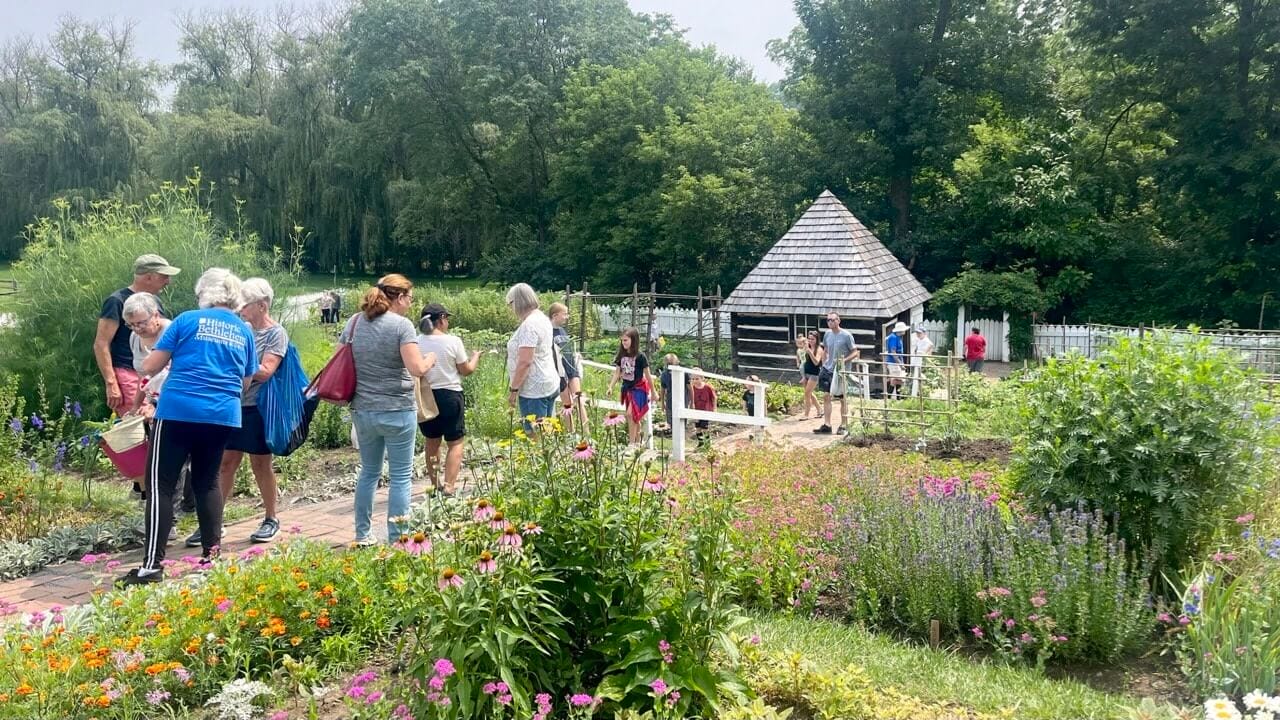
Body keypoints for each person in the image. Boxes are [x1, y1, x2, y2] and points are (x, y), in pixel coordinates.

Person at [117, 269, 257, 586]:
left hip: (179, 409)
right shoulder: (244, 331)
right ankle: (211, 557)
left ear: (203, 295)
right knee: (207, 483)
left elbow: (151, 366)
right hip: (223, 414)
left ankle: (152, 565)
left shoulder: (187, 320)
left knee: (161, 484)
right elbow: (246, 380)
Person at [341, 274, 434, 546]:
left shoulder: (354, 322)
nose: (410, 305)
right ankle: (398, 539)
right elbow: (416, 368)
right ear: (400, 297)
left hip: (363, 410)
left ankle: (362, 535)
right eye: (410, 299)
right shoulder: (401, 326)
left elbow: (340, 358)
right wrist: (430, 358)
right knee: (401, 477)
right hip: (397, 409)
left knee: (368, 472)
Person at [207, 278, 288, 546]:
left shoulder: (276, 333)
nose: (239, 308)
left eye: (245, 304)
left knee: (260, 463)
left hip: (257, 408)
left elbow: (265, 372)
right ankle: (214, 521)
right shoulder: (241, 328)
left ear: (262, 306)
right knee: (226, 463)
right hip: (233, 405)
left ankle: (271, 517)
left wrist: (235, 364)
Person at [123, 292, 193, 532]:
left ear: (156, 314)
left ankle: (172, 520)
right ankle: (169, 518)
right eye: (131, 324)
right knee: (164, 464)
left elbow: (175, 376)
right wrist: (136, 405)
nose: (137, 328)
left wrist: (155, 406)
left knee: (173, 464)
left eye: (141, 322)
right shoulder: (135, 338)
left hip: (178, 405)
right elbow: (145, 376)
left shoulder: (172, 333)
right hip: (155, 408)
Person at [94, 254, 180, 418]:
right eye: (164, 276)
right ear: (149, 277)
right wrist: (111, 382)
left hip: (157, 373)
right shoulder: (116, 301)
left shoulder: (154, 301)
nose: (167, 281)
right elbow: (101, 344)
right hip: (129, 372)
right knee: (137, 422)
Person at [417, 303, 481, 496]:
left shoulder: (415, 341)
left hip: (427, 395)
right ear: (441, 319)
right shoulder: (453, 341)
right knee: (455, 442)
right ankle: (449, 486)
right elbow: (466, 370)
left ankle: (435, 484)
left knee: (432, 441)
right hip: (450, 394)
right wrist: (476, 357)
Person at [504, 283, 560, 431]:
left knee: (535, 434)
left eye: (510, 304)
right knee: (547, 432)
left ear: (517, 302)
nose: (510, 309)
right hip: (548, 381)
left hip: (534, 389)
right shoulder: (541, 318)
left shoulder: (529, 325)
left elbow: (525, 362)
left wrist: (513, 390)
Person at [606, 327, 653, 445]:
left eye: (626, 340)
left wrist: (654, 392)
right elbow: (617, 372)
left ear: (633, 340)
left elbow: (647, 375)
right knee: (634, 417)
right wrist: (610, 386)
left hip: (639, 388)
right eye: (622, 340)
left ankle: (631, 444)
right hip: (627, 389)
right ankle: (638, 442)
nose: (623, 343)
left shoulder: (641, 357)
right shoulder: (621, 355)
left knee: (630, 414)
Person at [813, 312, 858, 435]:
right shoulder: (827, 334)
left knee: (842, 399)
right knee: (826, 396)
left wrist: (844, 360)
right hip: (828, 369)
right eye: (828, 320)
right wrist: (824, 363)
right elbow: (825, 350)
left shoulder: (846, 335)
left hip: (841, 370)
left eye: (833, 320)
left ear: (838, 321)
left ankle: (844, 425)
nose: (830, 322)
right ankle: (827, 425)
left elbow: (855, 352)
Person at [549, 302, 587, 431]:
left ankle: (586, 433)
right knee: (567, 404)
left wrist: (575, 354)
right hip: (559, 372)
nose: (567, 317)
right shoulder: (548, 332)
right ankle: (572, 433)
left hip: (571, 368)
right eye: (564, 314)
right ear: (555, 315)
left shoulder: (562, 330)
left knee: (579, 399)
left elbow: (567, 348)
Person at [658, 353, 691, 428]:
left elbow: (690, 387)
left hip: (682, 399)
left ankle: (682, 435)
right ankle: (674, 434)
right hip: (670, 400)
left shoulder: (683, 373)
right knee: (671, 421)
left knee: (682, 421)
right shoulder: (664, 374)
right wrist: (662, 403)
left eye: (671, 363)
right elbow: (663, 389)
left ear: (677, 362)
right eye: (668, 363)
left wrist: (692, 402)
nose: (670, 366)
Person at [798, 331, 823, 418]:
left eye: (812, 339)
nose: (810, 341)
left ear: (817, 340)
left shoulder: (819, 349)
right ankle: (820, 410)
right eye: (809, 339)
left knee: (807, 393)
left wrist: (810, 352)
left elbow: (816, 362)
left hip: (814, 374)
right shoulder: (806, 347)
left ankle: (806, 414)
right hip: (806, 373)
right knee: (809, 393)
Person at [909, 325, 935, 397]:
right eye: (917, 333)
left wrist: (926, 354)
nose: (918, 334)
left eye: (920, 333)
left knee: (919, 376)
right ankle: (918, 391)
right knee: (915, 376)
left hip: (921, 361)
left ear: (924, 333)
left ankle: (921, 391)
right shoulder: (919, 340)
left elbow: (931, 346)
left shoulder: (926, 340)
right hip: (915, 360)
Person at [885, 322, 909, 400]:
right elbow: (893, 352)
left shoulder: (897, 337)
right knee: (897, 380)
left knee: (896, 380)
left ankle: (893, 398)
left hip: (897, 362)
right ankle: (896, 397)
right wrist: (900, 364)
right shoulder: (893, 338)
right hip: (893, 362)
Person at [689, 369, 716, 435]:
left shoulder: (707, 387)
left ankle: (707, 443)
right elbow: (690, 399)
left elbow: (714, 397)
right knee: (698, 428)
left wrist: (714, 408)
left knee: (704, 428)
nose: (695, 381)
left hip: (706, 410)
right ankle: (700, 443)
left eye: (697, 379)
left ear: (702, 378)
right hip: (696, 411)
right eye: (693, 379)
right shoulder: (691, 388)